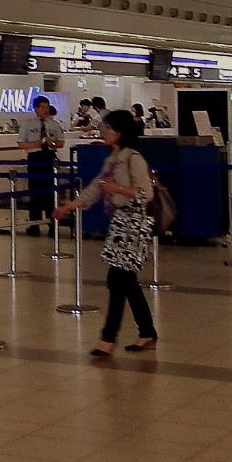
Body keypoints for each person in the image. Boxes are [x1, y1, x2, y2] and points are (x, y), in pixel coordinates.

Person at [52, 110, 156, 357]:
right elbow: (94, 190)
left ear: (119, 132)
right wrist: (68, 207)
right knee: (124, 281)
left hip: (133, 223)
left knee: (119, 280)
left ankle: (108, 339)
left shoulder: (133, 158)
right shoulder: (113, 159)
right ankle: (146, 332)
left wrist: (116, 188)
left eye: (107, 128)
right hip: (120, 223)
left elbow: (146, 193)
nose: (103, 132)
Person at [17, 95, 66, 235]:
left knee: (51, 193)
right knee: (35, 192)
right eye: (42, 107)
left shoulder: (54, 125)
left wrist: (52, 144)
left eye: (47, 107)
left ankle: (52, 225)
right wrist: (34, 144)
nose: (45, 110)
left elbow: (61, 143)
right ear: (36, 108)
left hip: (49, 158)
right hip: (35, 158)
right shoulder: (28, 124)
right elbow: (20, 144)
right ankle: (34, 225)